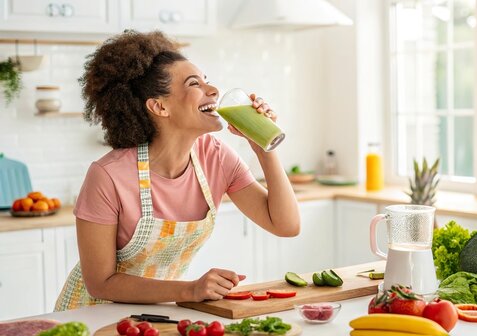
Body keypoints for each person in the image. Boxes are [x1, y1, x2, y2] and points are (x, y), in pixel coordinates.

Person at [54, 31, 300, 311]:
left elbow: (286, 225)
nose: (213, 90)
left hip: (158, 311)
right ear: (159, 106)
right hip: (90, 315)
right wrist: (191, 289)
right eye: (195, 83)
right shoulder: (108, 175)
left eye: (207, 79)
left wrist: (264, 147)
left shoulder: (215, 157)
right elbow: (100, 282)